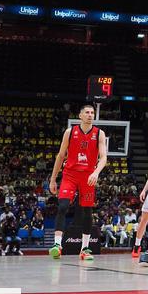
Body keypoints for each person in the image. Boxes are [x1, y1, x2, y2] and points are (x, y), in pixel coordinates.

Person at [48, 104, 107, 261]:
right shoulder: (70, 131)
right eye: (87, 112)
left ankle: (85, 249)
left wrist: (95, 172)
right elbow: (60, 156)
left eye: (92, 112)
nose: (90, 115)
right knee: (63, 206)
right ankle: (57, 245)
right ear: (80, 115)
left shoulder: (99, 134)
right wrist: (53, 179)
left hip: (88, 176)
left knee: (87, 211)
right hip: (70, 175)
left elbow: (104, 158)